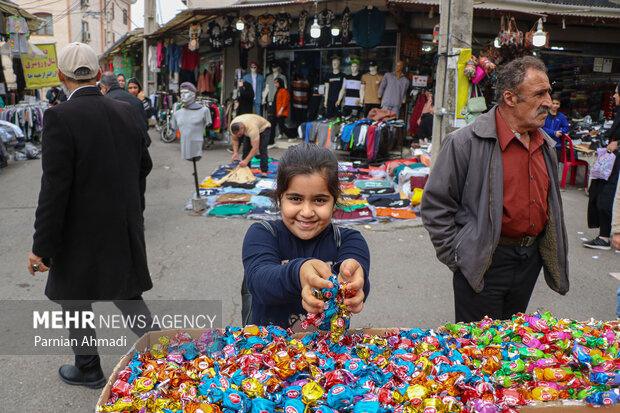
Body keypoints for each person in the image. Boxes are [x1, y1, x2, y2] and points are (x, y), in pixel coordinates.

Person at [26, 42, 153, 389]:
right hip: (122, 224)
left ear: (60, 76)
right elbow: (145, 164)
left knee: (75, 297)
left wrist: (42, 247)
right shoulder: (125, 111)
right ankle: (165, 354)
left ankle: (89, 368)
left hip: (80, 230)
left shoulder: (58, 117)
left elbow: (54, 189)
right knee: (127, 294)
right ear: (99, 75)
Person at [420, 56, 569, 323]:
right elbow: (435, 206)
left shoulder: (544, 144)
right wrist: (459, 256)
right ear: (510, 98)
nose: (548, 101)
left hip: (528, 260)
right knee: (476, 348)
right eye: (539, 94)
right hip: (483, 259)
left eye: (548, 91)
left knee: (513, 342)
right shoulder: (464, 143)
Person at [242, 142, 370, 328]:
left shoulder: (349, 241)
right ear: (279, 199)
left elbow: (360, 280)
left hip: (328, 352)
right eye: (295, 199)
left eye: (319, 200)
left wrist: (355, 283)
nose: (307, 211)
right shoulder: (262, 234)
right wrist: (298, 273)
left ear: (334, 203)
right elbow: (259, 282)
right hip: (267, 351)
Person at [99, 71, 151, 216]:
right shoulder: (134, 101)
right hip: (136, 155)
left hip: (113, 157)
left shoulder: (102, 102)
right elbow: (144, 127)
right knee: (138, 191)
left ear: (104, 87)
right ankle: (138, 220)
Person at [584, 83, 620, 250]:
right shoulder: (618, 114)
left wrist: (617, 143)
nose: (613, 96)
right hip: (611, 163)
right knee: (600, 195)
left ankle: (605, 237)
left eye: (616, 93)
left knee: (606, 198)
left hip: (616, 166)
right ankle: (604, 236)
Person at [542, 95, 570, 161]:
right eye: (553, 103)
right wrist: (554, 133)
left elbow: (566, 127)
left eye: (557, 104)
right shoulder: (544, 115)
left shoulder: (561, 116)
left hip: (557, 144)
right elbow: (541, 128)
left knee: (555, 164)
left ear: (559, 105)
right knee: (545, 163)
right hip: (545, 143)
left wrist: (560, 131)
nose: (554, 105)